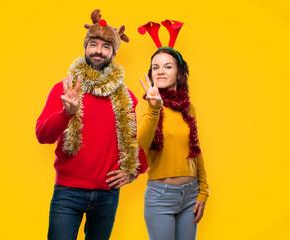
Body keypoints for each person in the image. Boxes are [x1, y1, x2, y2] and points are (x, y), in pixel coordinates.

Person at [35, 9, 147, 240]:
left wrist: (134, 171)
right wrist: (66, 113)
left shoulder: (127, 98)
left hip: (107, 195)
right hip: (68, 192)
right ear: (85, 49)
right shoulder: (64, 89)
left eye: (106, 46)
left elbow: (141, 141)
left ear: (114, 54)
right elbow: (42, 135)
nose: (98, 50)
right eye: (93, 44)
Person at [136, 20, 209, 240]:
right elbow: (143, 141)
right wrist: (154, 108)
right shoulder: (144, 106)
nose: (160, 71)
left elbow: (195, 150)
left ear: (179, 73)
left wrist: (203, 191)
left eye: (167, 66)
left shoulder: (189, 108)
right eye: (155, 67)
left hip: (190, 194)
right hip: (160, 197)